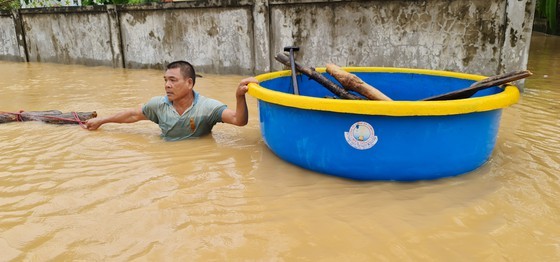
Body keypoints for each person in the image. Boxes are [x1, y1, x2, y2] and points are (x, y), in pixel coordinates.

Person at [85, 60, 259, 141]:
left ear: (189, 83)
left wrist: (239, 96)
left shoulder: (206, 107)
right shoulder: (158, 105)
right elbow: (132, 115)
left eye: (173, 80)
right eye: (165, 80)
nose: (167, 85)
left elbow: (239, 121)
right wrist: (101, 121)